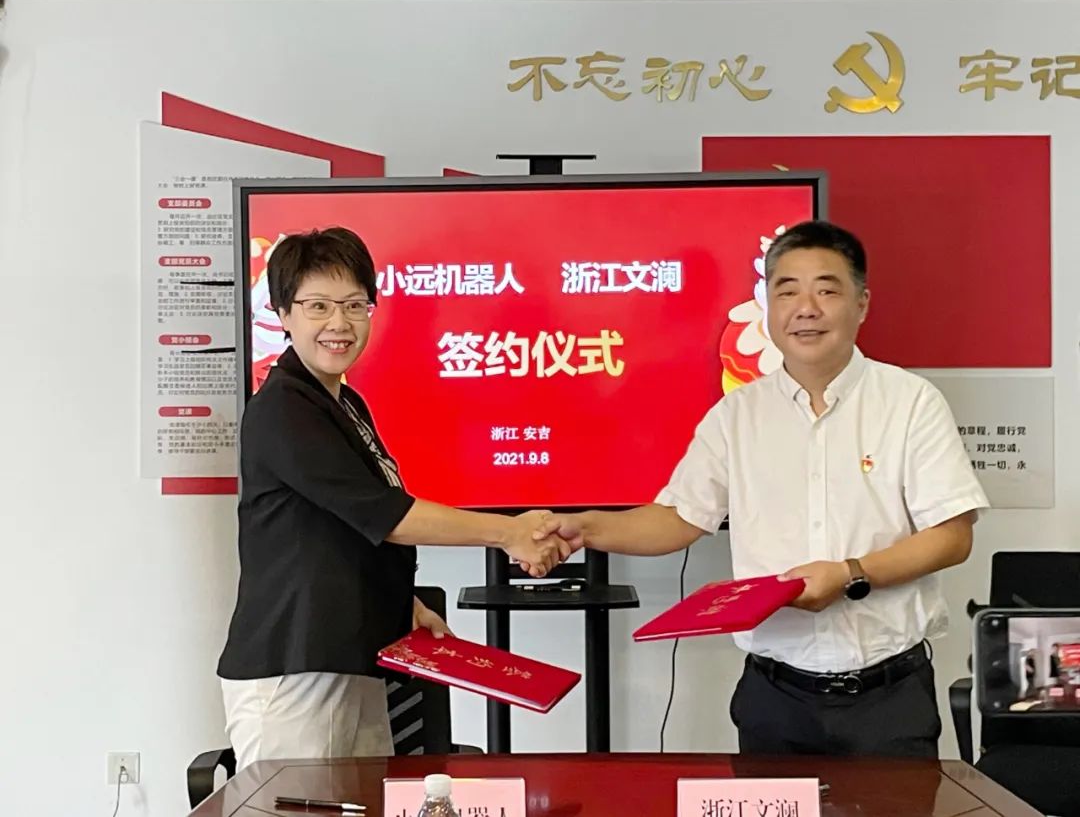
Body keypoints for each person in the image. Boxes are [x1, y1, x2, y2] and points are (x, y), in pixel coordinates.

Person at [535, 220, 989, 758]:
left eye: (826, 290)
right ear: (768, 307)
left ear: (862, 304)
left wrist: (849, 574)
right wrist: (586, 528)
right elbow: (677, 519)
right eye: (787, 291)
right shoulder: (737, 415)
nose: (806, 309)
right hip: (775, 698)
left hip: (888, 698)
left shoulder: (911, 402)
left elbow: (951, 537)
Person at [218, 227, 568, 768]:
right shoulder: (284, 409)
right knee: (298, 804)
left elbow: (340, 533)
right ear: (284, 314)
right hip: (295, 666)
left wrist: (402, 605)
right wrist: (509, 531)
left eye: (355, 305)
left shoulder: (345, 403)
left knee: (366, 800)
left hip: (347, 656)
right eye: (318, 306)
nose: (339, 323)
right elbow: (386, 515)